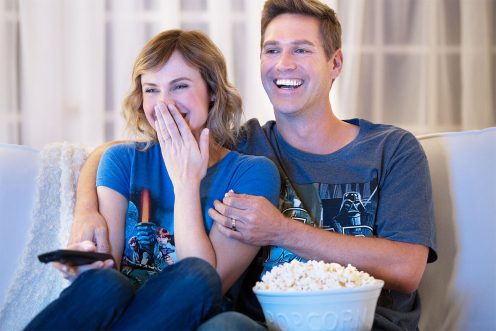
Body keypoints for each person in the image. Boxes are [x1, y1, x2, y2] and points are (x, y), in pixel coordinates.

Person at [70, 0, 437, 330]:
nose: (283, 64)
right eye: (272, 49)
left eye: (301, 50)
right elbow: (123, 152)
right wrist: (86, 212)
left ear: (335, 63)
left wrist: (282, 231)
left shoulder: (391, 149)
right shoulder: (244, 145)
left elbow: (407, 270)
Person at [24, 29, 280, 331]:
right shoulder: (123, 160)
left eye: (180, 86)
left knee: (202, 282)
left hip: (192, 318)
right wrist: (86, 267)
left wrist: (185, 182)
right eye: (151, 90)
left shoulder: (252, 173)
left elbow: (208, 284)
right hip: (121, 313)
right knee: (107, 283)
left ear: (212, 91)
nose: (164, 103)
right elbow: (109, 263)